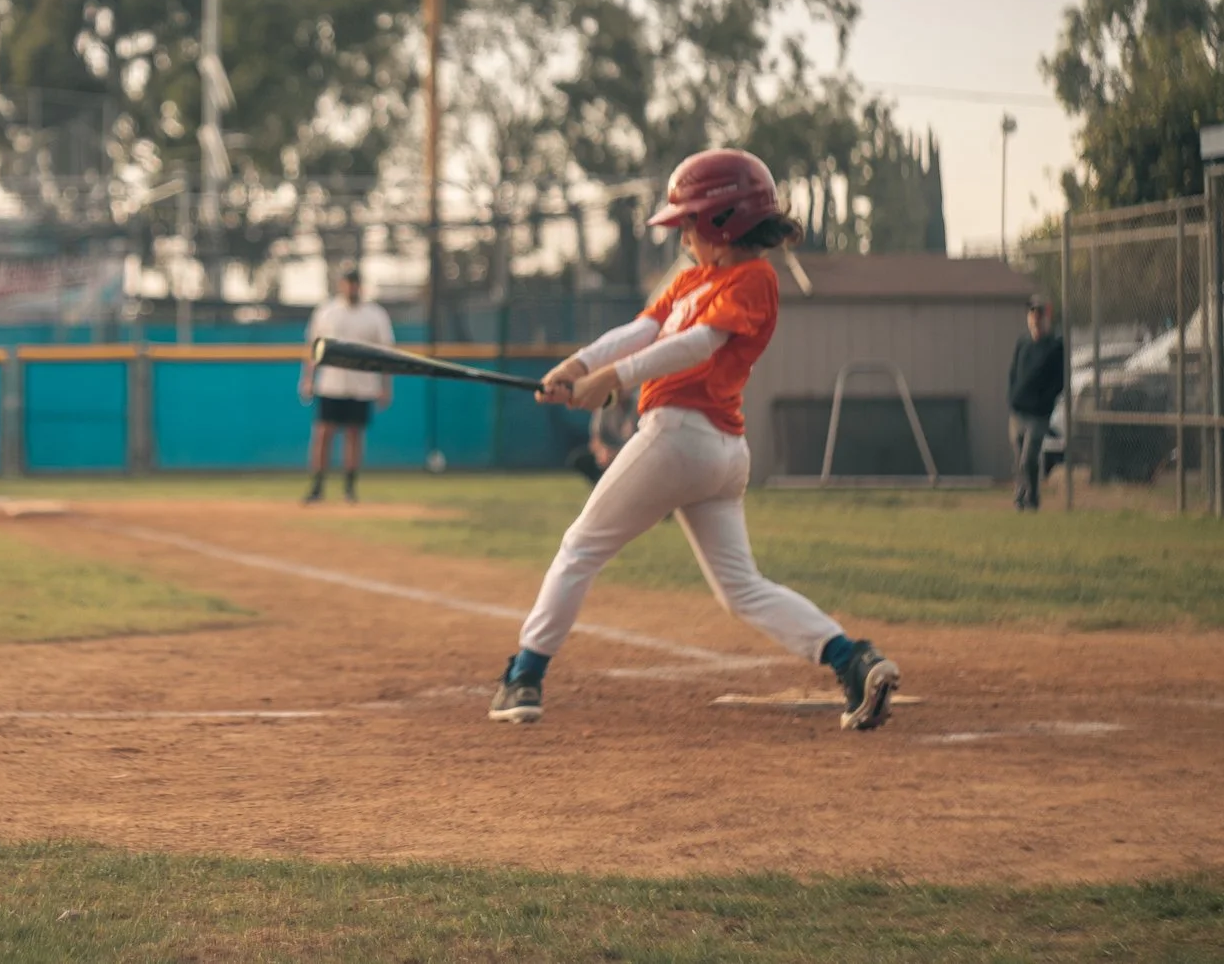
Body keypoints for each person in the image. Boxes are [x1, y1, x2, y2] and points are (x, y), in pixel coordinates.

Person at [491, 149, 900, 732]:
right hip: (716, 455)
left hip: (681, 438)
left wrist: (612, 379)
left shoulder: (753, 279)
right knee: (741, 589)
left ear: (721, 221)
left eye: (688, 223)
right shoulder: (692, 279)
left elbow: (698, 345)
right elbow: (642, 330)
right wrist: (577, 364)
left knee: (580, 548)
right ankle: (852, 659)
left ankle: (523, 677)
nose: (682, 235)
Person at [299, 264, 393, 504]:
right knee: (323, 433)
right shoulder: (327, 312)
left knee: (354, 434)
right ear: (341, 285)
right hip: (332, 384)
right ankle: (317, 486)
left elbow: (386, 353)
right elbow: (313, 348)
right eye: (348, 282)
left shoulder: (375, 314)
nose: (352, 287)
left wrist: (386, 387)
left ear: (360, 286)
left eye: (356, 282)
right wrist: (307, 379)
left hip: (362, 385)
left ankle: (349, 488)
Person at [1006, 296, 1065, 511]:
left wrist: (1044, 402)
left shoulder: (1055, 347)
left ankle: (1032, 498)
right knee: (1018, 460)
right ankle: (1021, 497)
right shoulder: (1023, 344)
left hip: (1038, 414)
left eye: (1040, 315)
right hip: (1018, 411)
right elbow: (1013, 373)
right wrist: (1012, 397)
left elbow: (1059, 381)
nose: (1036, 320)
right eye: (1033, 315)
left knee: (1029, 458)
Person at [570, 394, 638, 488]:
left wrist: (616, 454)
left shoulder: (637, 406)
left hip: (630, 454)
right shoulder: (605, 406)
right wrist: (602, 452)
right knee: (580, 459)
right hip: (608, 453)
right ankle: (600, 485)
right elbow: (595, 439)